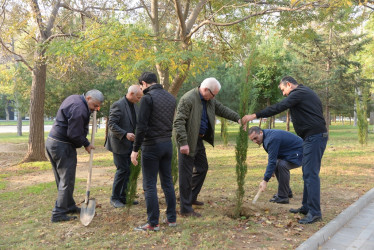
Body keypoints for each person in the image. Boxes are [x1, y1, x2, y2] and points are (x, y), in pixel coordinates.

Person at [242, 76, 328, 224]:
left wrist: (254, 116)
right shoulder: (305, 93)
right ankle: (306, 207)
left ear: (288, 85)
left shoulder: (298, 93)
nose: (283, 94)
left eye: (283, 90)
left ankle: (315, 213)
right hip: (310, 137)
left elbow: (279, 107)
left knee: (311, 174)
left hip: (315, 137)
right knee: (307, 174)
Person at [173, 77, 241, 217]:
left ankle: (190, 197)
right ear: (205, 89)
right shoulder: (188, 99)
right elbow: (178, 122)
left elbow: (222, 109)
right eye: (213, 94)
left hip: (198, 140)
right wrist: (183, 143)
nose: (214, 97)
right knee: (185, 176)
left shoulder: (209, 100)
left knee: (202, 168)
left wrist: (238, 118)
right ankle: (185, 209)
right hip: (187, 141)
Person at [46, 89, 104, 223]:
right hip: (62, 145)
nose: (97, 109)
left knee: (62, 179)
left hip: (52, 142)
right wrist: (86, 144)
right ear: (88, 98)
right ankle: (58, 213)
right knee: (67, 180)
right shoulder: (80, 109)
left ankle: (68, 206)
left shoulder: (74, 98)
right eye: (95, 105)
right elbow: (74, 134)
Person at [130, 72, 177, 231]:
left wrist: (135, 149)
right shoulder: (171, 98)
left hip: (151, 146)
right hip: (167, 145)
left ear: (143, 83)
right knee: (167, 182)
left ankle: (153, 223)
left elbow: (141, 126)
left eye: (141, 86)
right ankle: (171, 219)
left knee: (149, 185)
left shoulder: (147, 99)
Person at [105, 85, 143, 208]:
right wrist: (125, 134)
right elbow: (111, 124)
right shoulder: (118, 105)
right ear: (131, 94)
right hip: (119, 144)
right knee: (122, 170)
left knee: (128, 171)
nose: (139, 100)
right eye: (138, 97)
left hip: (130, 145)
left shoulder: (135, 106)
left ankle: (123, 197)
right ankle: (114, 198)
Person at [248, 126, 303, 204]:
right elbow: (275, 158)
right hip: (291, 153)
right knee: (278, 164)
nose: (255, 141)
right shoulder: (266, 137)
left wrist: (265, 180)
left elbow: (272, 161)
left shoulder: (271, 139)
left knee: (282, 165)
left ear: (260, 132)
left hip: (303, 152)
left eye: (255, 138)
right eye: (252, 140)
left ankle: (283, 197)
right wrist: (272, 170)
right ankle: (286, 192)